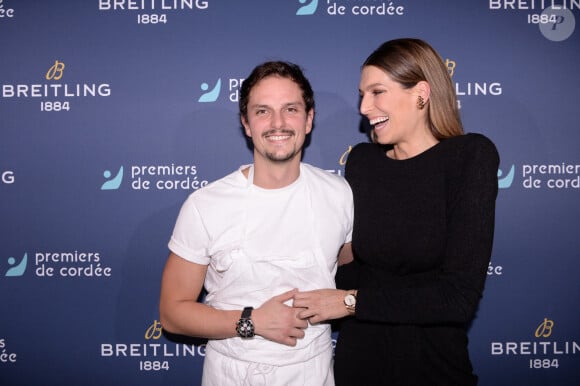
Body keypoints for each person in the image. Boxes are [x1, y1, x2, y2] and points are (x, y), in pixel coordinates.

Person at [293, 38, 500, 385]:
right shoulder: (363, 162)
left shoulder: (469, 158)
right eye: (362, 94)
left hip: (432, 365)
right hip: (358, 362)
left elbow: (457, 298)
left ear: (421, 92)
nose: (363, 107)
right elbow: (360, 271)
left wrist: (347, 302)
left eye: (377, 92)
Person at [159, 61, 353, 386]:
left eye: (290, 109)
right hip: (233, 373)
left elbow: (351, 269)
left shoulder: (339, 194)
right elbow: (172, 313)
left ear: (309, 119)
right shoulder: (206, 205)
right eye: (262, 111)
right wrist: (252, 321)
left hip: (314, 372)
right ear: (246, 124)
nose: (278, 123)